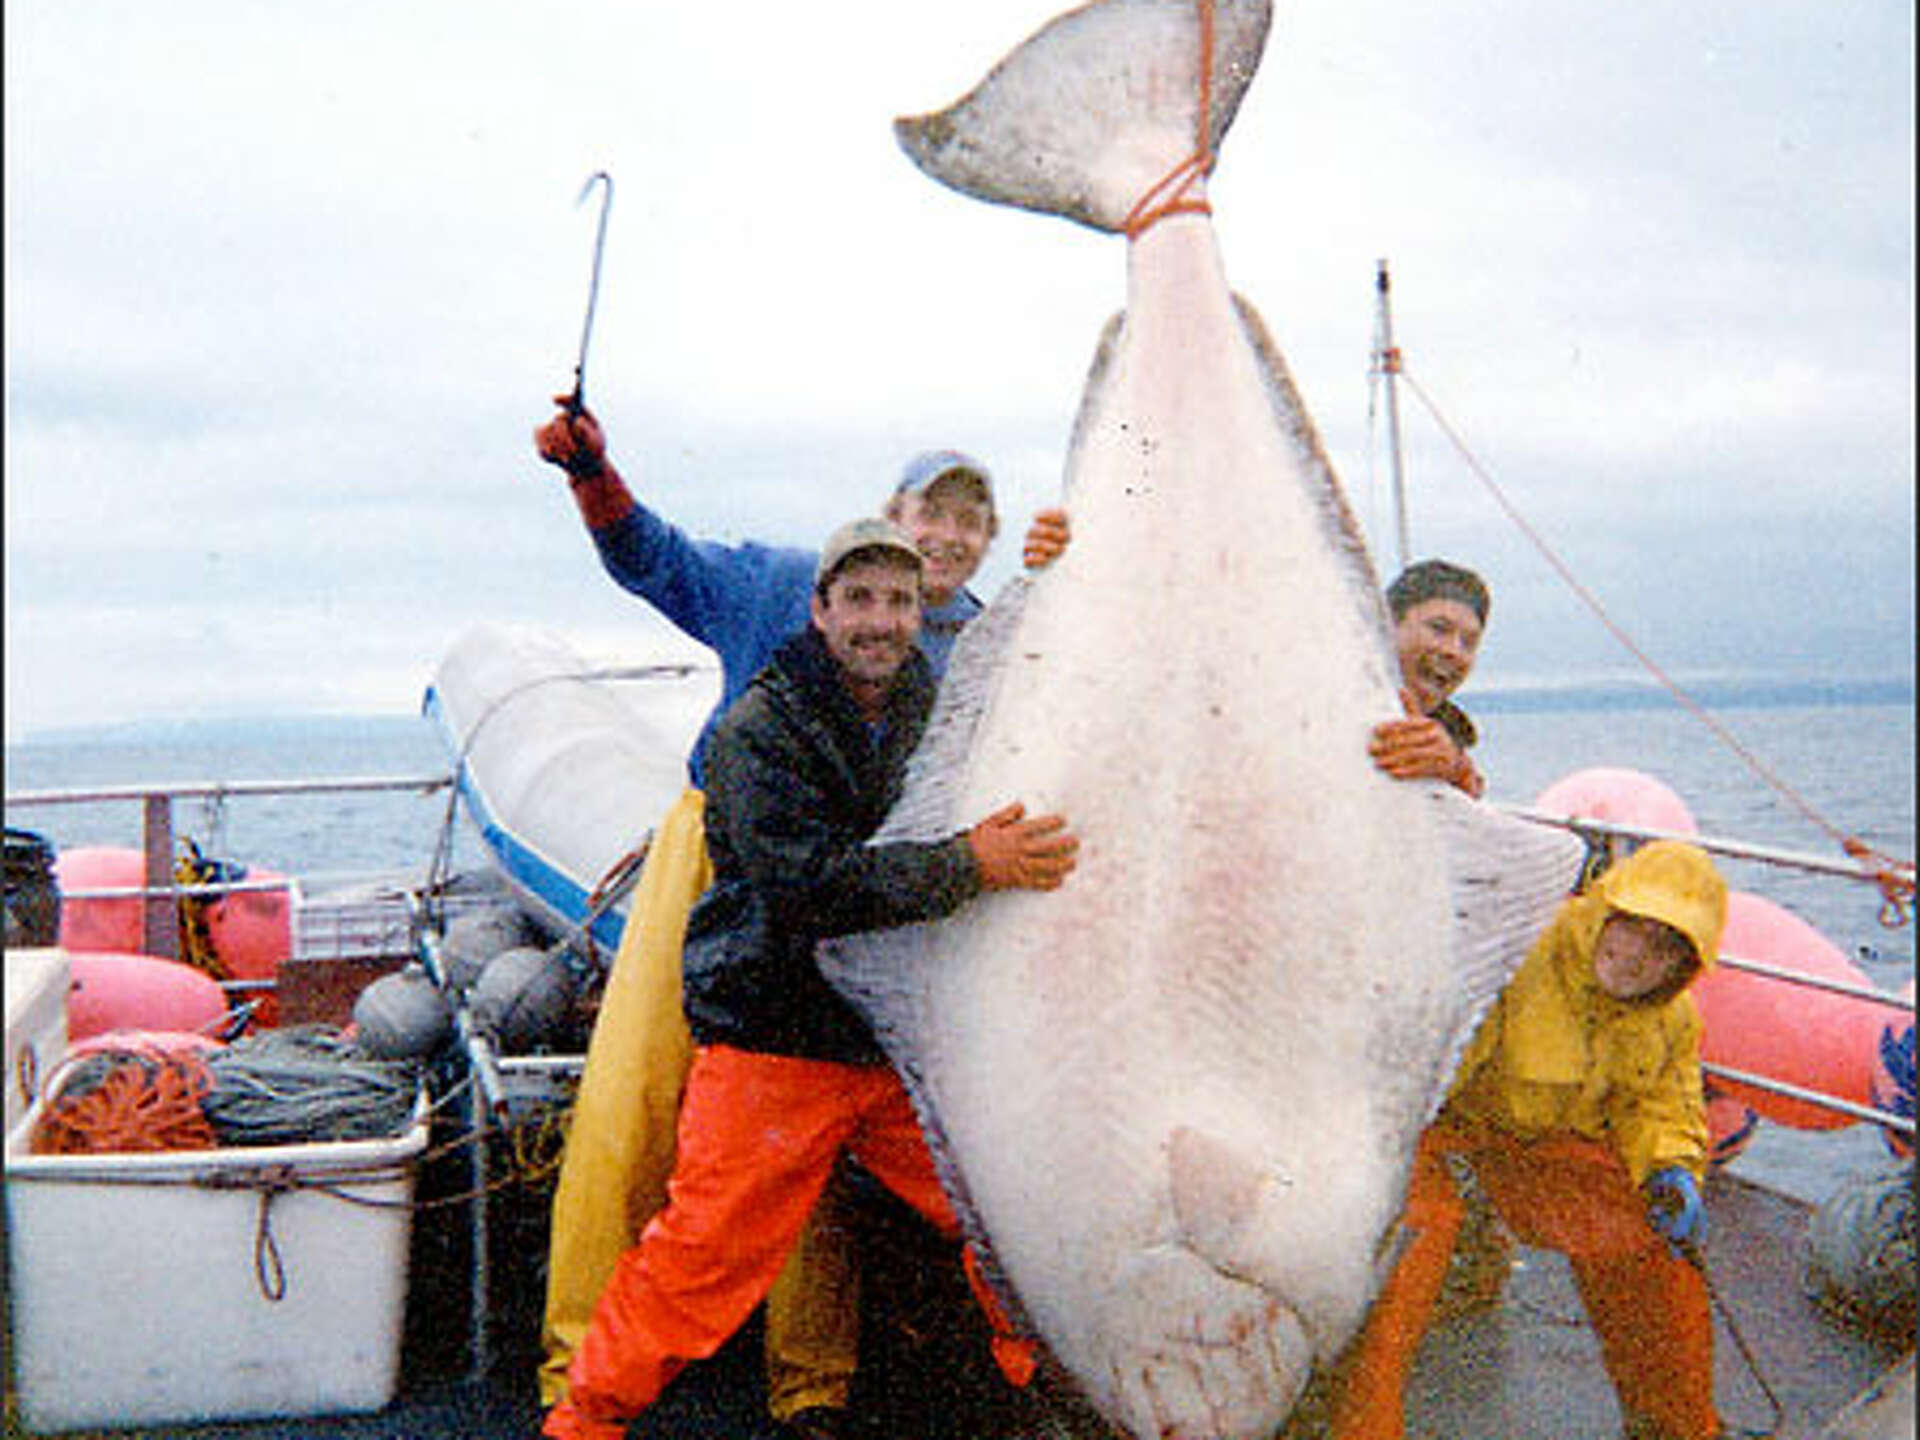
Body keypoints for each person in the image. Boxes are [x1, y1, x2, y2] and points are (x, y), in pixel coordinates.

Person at [531, 396, 1065, 1434]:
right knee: (658, 1155)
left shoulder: (965, 657)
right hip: (773, 960)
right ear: (823, 601)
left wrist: (1065, 572)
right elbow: (657, 561)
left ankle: (918, 1387)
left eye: (973, 526)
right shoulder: (766, 687)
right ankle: (577, 1401)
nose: (884, 615)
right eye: (930, 514)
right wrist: (592, 474)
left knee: (999, 1219)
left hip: (882, 1005)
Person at [1327, 839, 1731, 1440]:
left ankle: (1675, 1427)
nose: (1637, 957)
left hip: (1535, 1143)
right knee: (1416, 1227)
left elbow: (1663, 1106)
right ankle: (1361, 1427)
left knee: (1651, 1236)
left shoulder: (1672, 1018)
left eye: (1666, 947)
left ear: (1684, 967)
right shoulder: (1521, 953)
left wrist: (1672, 1171)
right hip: (1437, 1123)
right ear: (1604, 912)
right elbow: (1431, 1066)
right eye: (1635, 928)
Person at [1367, 558, 1491, 798]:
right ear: (1386, 626)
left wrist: (1456, 773)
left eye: (1469, 642)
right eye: (1439, 628)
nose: (1453, 651)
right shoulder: (1328, 699)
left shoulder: (1452, 747)